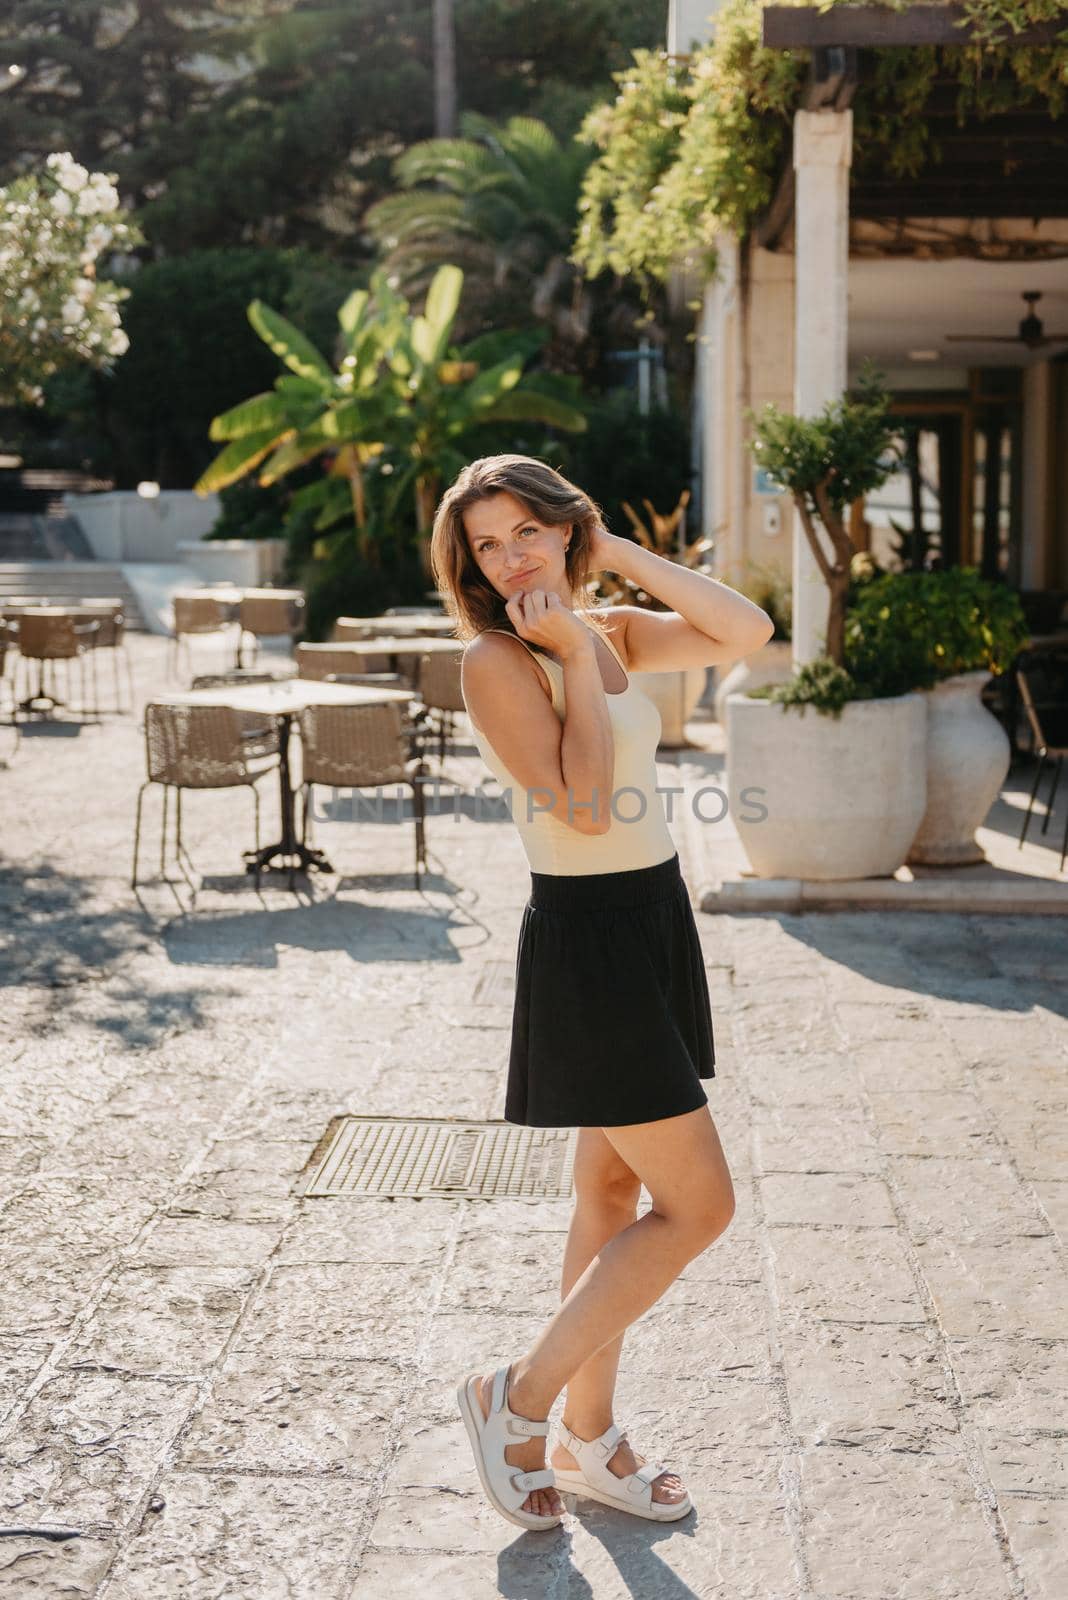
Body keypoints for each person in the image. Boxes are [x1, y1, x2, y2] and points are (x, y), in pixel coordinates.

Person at [429, 454, 774, 1532]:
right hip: (588, 940)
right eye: (488, 542)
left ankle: (590, 1430)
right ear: (472, 565)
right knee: (700, 1205)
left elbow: (745, 632)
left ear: (565, 527)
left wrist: (611, 560)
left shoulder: (615, 626)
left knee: (612, 1199)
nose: (511, 555)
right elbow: (581, 804)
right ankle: (515, 1399)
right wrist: (571, 652)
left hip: (653, 914)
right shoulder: (494, 661)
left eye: (528, 528)